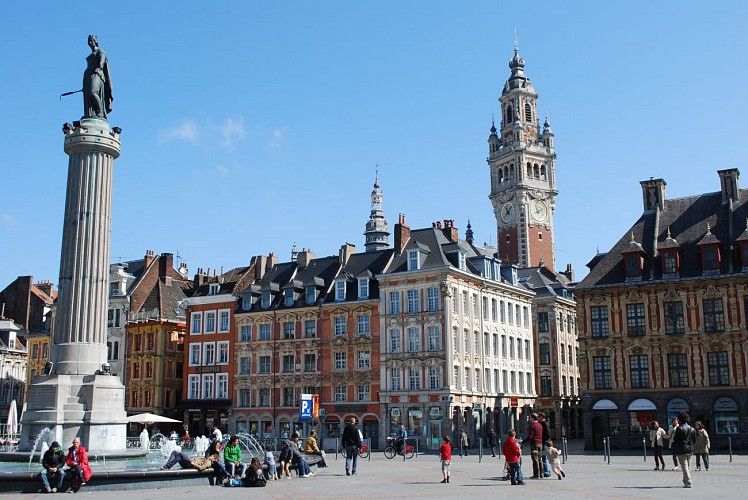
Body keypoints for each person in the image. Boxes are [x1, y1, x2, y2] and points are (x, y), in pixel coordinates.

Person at [82, 35, 113, 119]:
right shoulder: (91, 53)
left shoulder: (100, 51)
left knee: (93, 92)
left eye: (92, 40)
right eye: (89, 41)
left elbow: (102, 62)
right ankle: (90, 114)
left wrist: (99, 67)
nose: (90, 42)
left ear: (96, 41)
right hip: (88, 76)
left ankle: (99, 112)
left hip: (97, 74)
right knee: (88, 94)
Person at [672, 411, 697, 488]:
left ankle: (688, 482)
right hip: (690, 449)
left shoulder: (679, 428)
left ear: (680, 420)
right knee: (688, 466)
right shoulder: (692, 429)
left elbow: (675, 439)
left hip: (681, 449)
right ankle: (685, 481)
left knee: (684, 466)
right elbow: (694, 440)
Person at [524, 413, 543, 478]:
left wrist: (523, 442)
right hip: (540, 443)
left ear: (532, 418)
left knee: (535, 459)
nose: (529, 419)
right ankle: (541, 473)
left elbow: (530, 436)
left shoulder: (532, 426)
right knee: (540, 459)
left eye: (530, 417)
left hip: (534, 443)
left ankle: (536, 474)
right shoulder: (540, 425)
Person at [538, 412, 552, 477]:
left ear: (541, 417)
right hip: (543, 442)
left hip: (544, 443)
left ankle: (547, 472)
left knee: (544, 457)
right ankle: (547, 471)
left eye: (539, 417)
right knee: (544, 457)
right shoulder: (541, 423)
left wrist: (544, 441)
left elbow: (548, 434)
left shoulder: (545, 424)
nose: (538, 418)